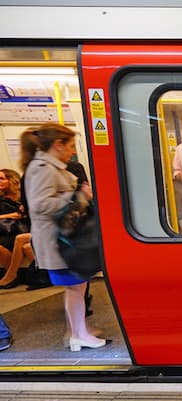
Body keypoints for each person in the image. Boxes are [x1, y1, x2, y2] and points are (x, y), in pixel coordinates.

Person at [20, 123, 106, 351]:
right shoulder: (42, 168)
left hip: (65, 237)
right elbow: (39, 205)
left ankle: (79, 330)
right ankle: (78, 335)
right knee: (74, 287)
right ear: (57, 145)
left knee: (78, 286)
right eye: (69, 146)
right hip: (58, 240)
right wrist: (75, 195)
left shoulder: (51, 167)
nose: (71, 151)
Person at [0, 168, 28, 277]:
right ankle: (12, 275)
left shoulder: (23, 195)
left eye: (1, 178)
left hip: (22, 228)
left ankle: (12, 275)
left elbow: (23, 214)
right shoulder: (1, 198)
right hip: (6, 230)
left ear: (11, 180)